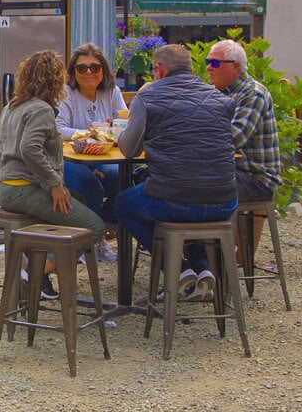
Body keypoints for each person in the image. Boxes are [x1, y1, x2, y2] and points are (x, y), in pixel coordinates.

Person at [114, 44, 238, 302]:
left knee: (123, 204)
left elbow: (128, 150)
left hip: (172, 200)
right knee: (187, 203)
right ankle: (203, 269)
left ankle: (177, 268)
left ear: (159, 69)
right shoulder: (221, 99)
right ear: (191, 68)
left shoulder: (148, 98)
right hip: (225, 202)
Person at [0, 49, 105, 300]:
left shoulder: (14, 105)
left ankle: (39, 267)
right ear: (55, 79)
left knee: (80, 202)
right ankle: (35, 271)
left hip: (4, 186)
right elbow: (30, 148)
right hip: (22, 187)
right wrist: (54, 183)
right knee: (93, 226)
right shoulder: (42, 109)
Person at [56, 43, 126, 262]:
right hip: (71, 157)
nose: (88, 73)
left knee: (122, 179)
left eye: (94, 68)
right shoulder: (66, 93)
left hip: (103, 155)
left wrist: (109, 131)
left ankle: (101, 230)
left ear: (103, 70)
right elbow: (58, 128)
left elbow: (123, 122)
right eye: (82, 68)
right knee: (90, 187)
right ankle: (92, 242)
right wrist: (93, 133)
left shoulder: (112, 91)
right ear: (73, 73)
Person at [205, 39, 280, 202]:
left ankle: (215, 228)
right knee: (176, 180)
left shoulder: (253, 93)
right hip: (228, 170)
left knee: (191, 187)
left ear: (236, 67)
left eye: (215, 63)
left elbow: (234, 138)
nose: (209, 67)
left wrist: (193, 143)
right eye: (208, 62)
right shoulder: (216, 92)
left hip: (256, 177)